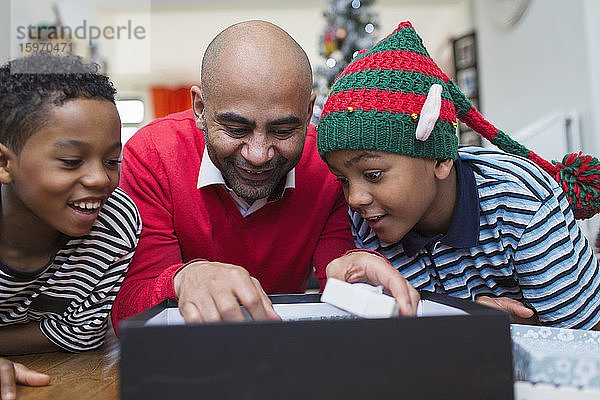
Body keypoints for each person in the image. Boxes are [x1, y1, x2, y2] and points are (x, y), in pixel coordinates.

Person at [113, 20, 409, 328]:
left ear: (308, 113)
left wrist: (357, 275)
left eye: (282, 131)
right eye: (236, 129)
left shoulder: (326, 167)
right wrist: (182, 278)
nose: (258, 155)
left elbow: (338, 277)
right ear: (200, 109)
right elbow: (129, 311)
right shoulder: (152, 155)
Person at [317, 21, 600, 330]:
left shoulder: (521, 203)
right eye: (343, 180)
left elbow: (587, 342)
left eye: (372, 174)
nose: (355, 198)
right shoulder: (370, 218)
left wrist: (516, 334)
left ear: (440, 160)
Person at [0, 52, 141, 399]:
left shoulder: (115, 223)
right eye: (71, 161)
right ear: (4, 163)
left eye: (112, 160)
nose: (99, 179)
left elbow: (80, 335)